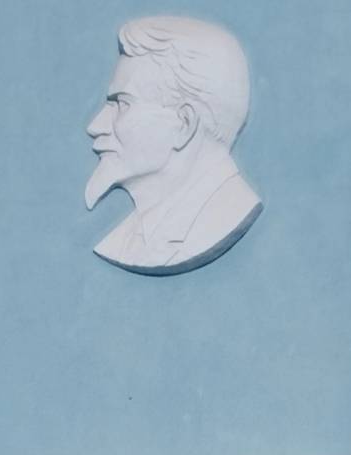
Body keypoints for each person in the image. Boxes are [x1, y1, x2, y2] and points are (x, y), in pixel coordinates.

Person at [85, 15, 262, 275]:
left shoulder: (224, 215)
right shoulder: (124, 242)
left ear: (184, 124)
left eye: (122, 103)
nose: (96, 126)